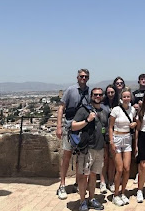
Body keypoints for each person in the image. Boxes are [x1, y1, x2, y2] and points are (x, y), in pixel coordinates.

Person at [56, 69, 91, 199]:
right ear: (77, 77)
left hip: (82, 127)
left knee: (80, 157)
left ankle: (77, 183)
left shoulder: (88, 91)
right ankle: (62, 185)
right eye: (81, 76)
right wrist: (59, 126)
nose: (83, 78)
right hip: (69, 127)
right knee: (66, 156)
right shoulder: (71, 90)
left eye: (86, 76)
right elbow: (61, 107)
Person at [71, 87, 106, 211]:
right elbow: (73, 126)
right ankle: (82, 201)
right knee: (83, 176)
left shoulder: (104, 110)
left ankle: (91, 199)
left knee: (93, 175)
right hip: (87, 148)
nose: (98, 96)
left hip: (99, 149)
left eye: (100, 95)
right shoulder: (84, 110)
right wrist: (87, 120)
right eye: (95, 94)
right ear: (91, 96)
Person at [108, 88, 137, 206]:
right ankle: (115, 194)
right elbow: (110, 127)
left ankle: (123, 192)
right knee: (119, 169)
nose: (126, 98)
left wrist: (135, 123)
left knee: (127, 169)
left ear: (130, 98)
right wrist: (111, 142)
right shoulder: (115, 110)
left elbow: (136, 122)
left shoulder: (133, 110)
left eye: (128, 96)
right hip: (117, 138)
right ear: (121, 98)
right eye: (124, 96)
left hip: (127, 140)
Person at [100, 84, 118, 193]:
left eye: (112, 92)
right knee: (104, 159)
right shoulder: (102, 105)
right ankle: (103, 182)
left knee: (112, 160)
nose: (110, 94)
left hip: (115, 135)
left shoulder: (118, 105)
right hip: (103, 135)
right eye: (108, 92)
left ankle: (111, 181)